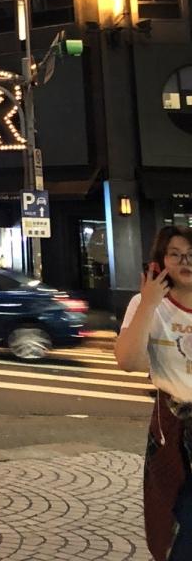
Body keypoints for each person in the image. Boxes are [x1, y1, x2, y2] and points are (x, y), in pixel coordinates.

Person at [116, 224, 192, 560]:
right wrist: (148, 304)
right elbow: (128, 361)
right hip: (173, 429)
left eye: (191, 254)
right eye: (175, 254)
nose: (185, 261)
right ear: (160, 262)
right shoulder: (146, 304)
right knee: (174, 517)